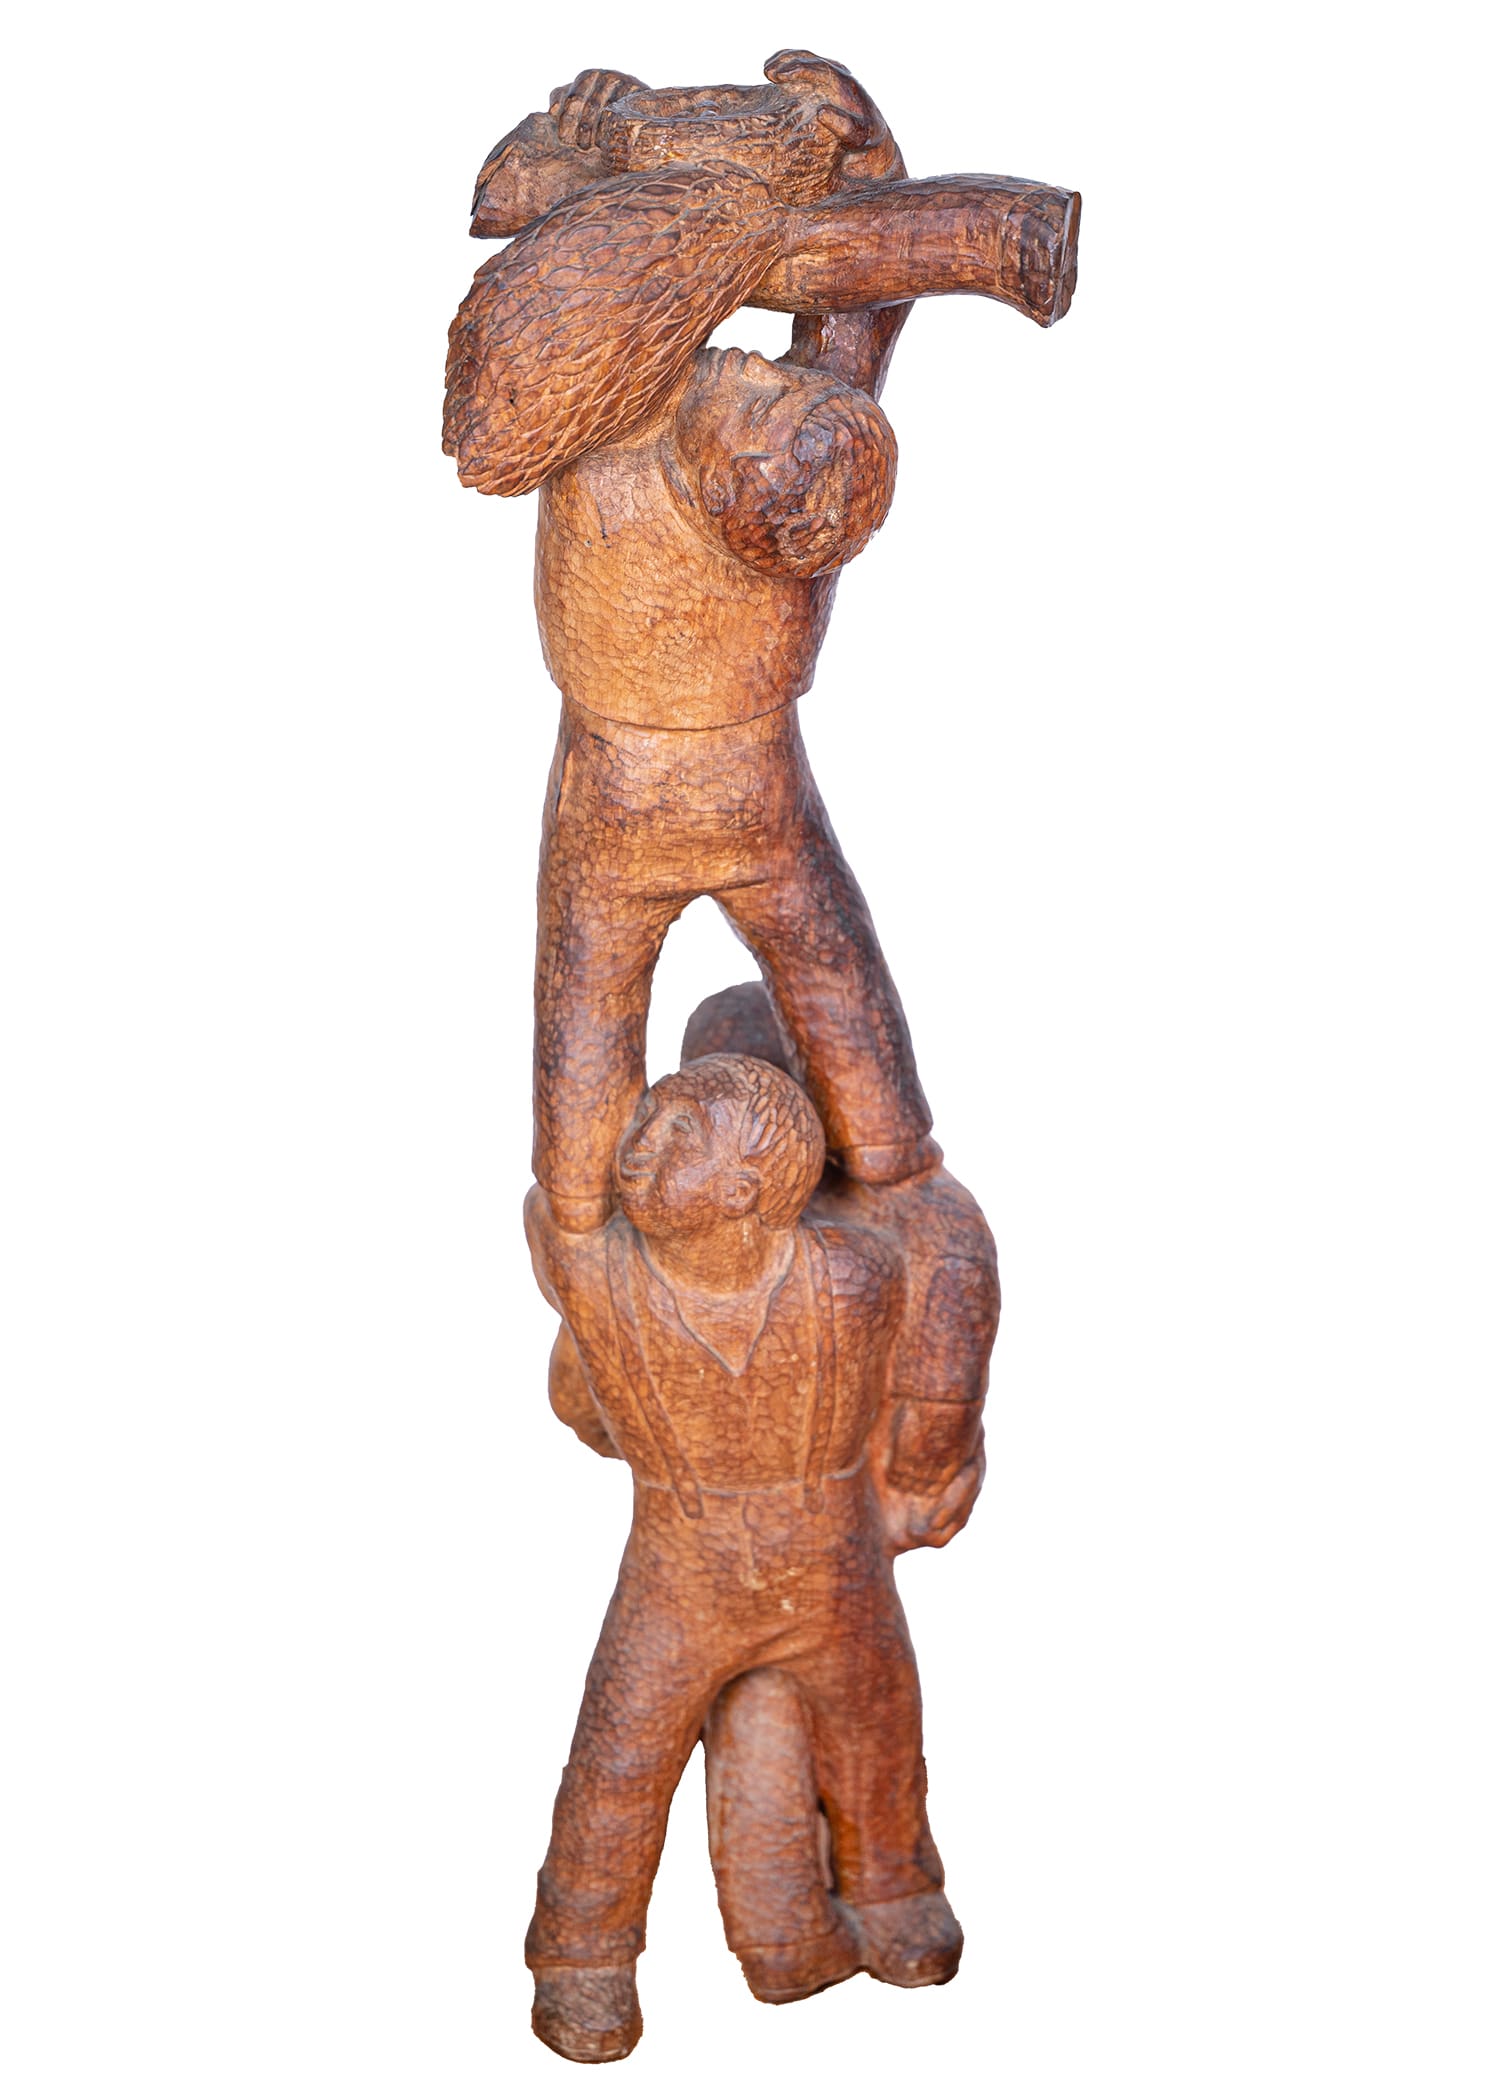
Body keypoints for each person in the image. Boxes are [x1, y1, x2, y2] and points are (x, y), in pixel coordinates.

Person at [446, 56, 937, 1230]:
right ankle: (887, 1154)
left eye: (761, 399)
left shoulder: (623, 426)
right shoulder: (770, 457)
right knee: (816, 965)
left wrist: (601, 157)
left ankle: (586, 1200)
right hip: (732, 798)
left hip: (632, 801)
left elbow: (584, 312)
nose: (760, 362)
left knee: (598, 999)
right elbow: (872, 300)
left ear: (734, 496)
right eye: (786, 380)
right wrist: (869, 153)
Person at [524, 1049, 968, 2061]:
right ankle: (582, 1953)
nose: (637, 1145)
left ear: (742, 1191)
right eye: (647, 1120)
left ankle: (892, 1888)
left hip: (833, 1566)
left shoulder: (851, 1280)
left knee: (878, 1726)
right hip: (683, 1574)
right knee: (621, 1758)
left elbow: (930, 1292)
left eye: (677, 1133)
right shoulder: (607, 1276)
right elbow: (566, 1179)